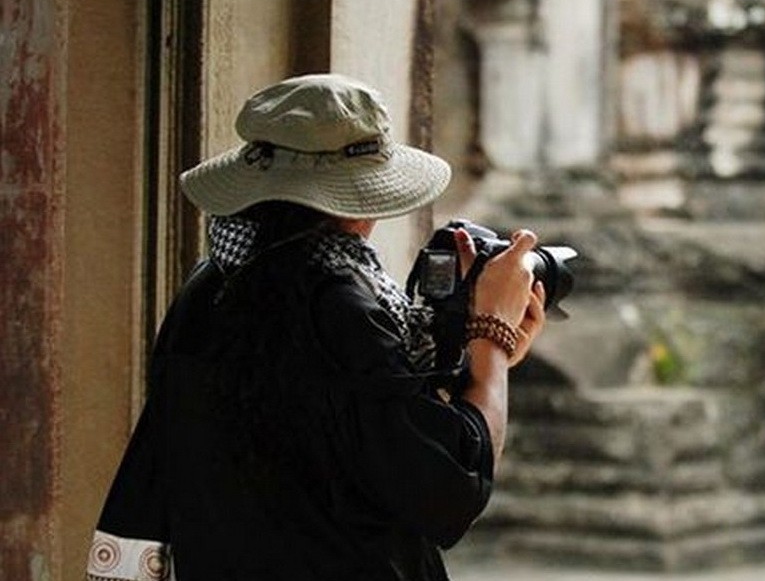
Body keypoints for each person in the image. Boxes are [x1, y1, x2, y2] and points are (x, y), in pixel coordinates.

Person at [87, 73, 545, 580]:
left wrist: (472, 354)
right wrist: (492, 338)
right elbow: (449, 489)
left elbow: (342, 429)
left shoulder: (212, 285)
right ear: (359, 203)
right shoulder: (339, 308)